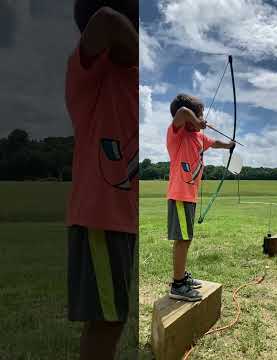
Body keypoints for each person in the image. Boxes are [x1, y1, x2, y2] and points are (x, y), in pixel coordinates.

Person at [65, 1, 138, 359]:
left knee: (112, 319)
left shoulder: (133, 76)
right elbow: (106, 20)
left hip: (122, 219)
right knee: (106, 322)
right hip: (102, 216)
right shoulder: (93, 72)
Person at [167, 94, 235, 301]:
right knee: (183, 239)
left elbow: (214, 143)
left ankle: (181, 277)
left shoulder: (199, 137)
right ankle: (177, 285)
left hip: (189, 197)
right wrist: (195, 120)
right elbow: (182, 112)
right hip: (180, 195)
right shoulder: (176, 134)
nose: (202, 119)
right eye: (199, 116)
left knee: (186, 238)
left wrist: (229, 146)